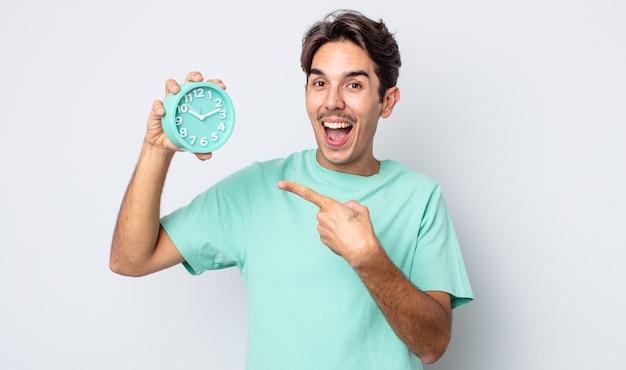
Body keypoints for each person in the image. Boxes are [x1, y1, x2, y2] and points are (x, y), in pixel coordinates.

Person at [110, 9, 473, 370]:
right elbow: (130, 259)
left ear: (387, 101)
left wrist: (368, 258)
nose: (332, 101)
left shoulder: (421, 197)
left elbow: (433, 345)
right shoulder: (257, 189)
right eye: (320, 83)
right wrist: (157, 148)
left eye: (354, 85)